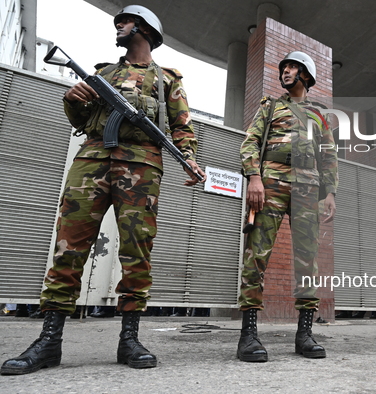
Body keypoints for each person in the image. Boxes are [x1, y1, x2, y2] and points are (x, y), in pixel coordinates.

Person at [1, 5, 205, 376]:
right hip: (92, 159)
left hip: (142, 165)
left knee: (136, 249)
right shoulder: (102, 73)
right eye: (118, 22)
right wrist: (73, 99)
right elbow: (81, 121)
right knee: (69, 246)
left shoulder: (167, 79)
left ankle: (129, 337)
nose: (119, 26)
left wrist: (189, 158)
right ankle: (49, 340)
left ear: (144, 29)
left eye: (125, 22)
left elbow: (182, 127)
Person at [238, 51, 338, 362]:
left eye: (293, 67)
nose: (286, 71)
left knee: (308, 259)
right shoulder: (270, 106)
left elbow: (329, 157)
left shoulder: (319, 116)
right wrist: (254, 177)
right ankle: (248, 335)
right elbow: (250, 141)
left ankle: (305, 333)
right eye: (284, 67)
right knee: (257, 253)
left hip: (308, 187)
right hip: (270, 183)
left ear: (306, 75)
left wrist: (330, 193)